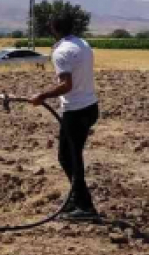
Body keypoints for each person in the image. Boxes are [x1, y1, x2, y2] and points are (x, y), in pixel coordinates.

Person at [30, 14, 100, 221]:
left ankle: (85, 206)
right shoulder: (83, 44)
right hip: (90, 107)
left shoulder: (61, 52)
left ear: (53, 28)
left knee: (68, 158)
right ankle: (77, 198)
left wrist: (42, 96)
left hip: (76, 111)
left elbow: (66, 85)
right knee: (72, 156)